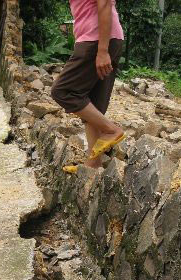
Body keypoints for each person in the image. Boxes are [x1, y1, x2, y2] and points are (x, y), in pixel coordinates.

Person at [51, 0, 124, 170]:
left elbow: (104, 3)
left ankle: (111, 130)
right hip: (105, 39)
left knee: (63, 91)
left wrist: (103, 50)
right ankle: (93, 164)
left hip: (96, 41)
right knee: (93, 105)